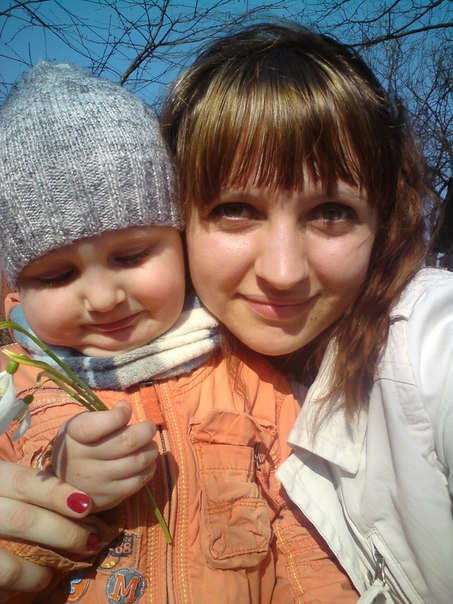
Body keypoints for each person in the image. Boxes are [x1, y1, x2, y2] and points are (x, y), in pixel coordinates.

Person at [0, 61, 356, 603]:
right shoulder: (15, 394)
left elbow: (303, 536)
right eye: (57, 275)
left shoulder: (247, 377)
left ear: (180, 240)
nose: (103, 297)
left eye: (131, 256)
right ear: (19, 289)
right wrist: (56, 486)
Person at [159, 22, 453, 604]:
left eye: (331, 213)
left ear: (382, 222)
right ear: (177, 220)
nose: (284, 271)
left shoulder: (425, 336)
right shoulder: (139, 378)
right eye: (236, 209)